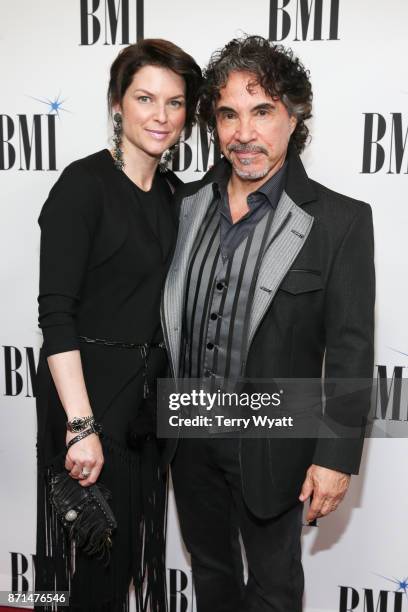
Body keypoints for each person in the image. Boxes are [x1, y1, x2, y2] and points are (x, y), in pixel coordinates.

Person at [161, 35, 375, 612]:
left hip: (274, 439)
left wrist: (334, 456)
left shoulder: (339, 221)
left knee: (274, 587)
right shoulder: (183, 206)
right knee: (210, 573)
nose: (244, 133)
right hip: (187, 436)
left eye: (262, 111)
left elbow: (352, 347)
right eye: (228, 114)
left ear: (293, 116)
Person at [35, 39, 201, 612]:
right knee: (102, 563)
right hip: (91, 397)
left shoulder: (178, 196)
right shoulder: (83, 186)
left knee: (125, 556)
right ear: (116, 103)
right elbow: (55, 313)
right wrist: (81, 425)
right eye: (145, 98)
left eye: (175, 103)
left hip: (145, 407)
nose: (161, 116)